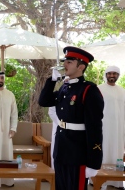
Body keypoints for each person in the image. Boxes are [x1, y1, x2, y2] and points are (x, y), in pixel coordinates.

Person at [38, 46, 104, 190]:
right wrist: (52, 81)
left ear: (81, 67)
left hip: (78, 153)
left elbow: (95, 128)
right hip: (61, 149)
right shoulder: (64, 88)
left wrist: (94, 163)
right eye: (65, 61)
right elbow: (43, 101)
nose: (64, 64)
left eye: (69, 62)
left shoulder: (89, 90)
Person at [97, 65, 125, 189]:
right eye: (109, 73)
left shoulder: (123, 91)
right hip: (103, 126)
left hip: (119, 128)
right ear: (106, 75)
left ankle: (117, 181)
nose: (112, 76)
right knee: (104, 150)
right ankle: (99, 180)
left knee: (118, 151)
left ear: (118, 75)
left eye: (114, 73)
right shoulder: (99, 89)